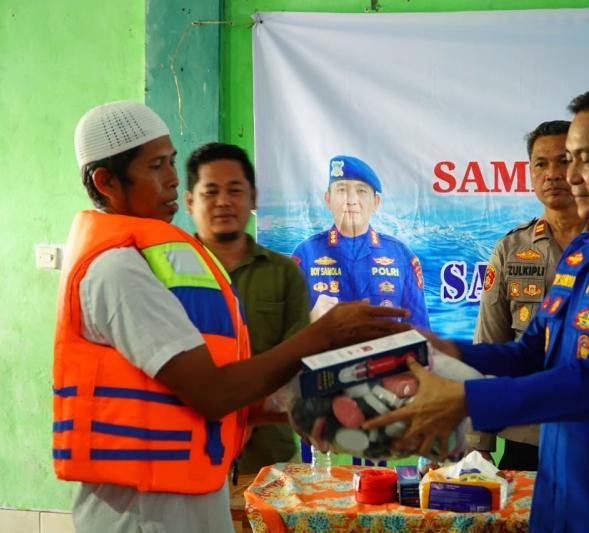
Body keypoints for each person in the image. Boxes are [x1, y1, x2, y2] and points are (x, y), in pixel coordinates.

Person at [364, 87, 589, 531]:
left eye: (586, 159)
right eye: (568, 160)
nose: (570, 176)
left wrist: (465, 400)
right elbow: (531, 354)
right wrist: (439, 349)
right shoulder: (586, 250)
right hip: (561, 501)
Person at [52, 101, 410, 533]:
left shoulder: (161, 260)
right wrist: (323, 334)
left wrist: (311, 405)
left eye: (171, 162)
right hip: (140, 514)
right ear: (106, 181)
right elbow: (211, 392)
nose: (172, 178)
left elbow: (200, 394)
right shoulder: (115, 270)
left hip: (191, 496)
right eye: (156, 166)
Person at [185, 142, 310, 474]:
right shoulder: (169, 274)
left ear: (253, 198)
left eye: (235, 190)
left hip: (271, 459)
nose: (223, 201)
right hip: (190, 453)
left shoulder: (284, 273)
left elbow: (297, 362)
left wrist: (252, 414)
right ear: (190, 202)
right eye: (210, 192)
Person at [471, 120, 588, 471]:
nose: (552, 174)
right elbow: (489, 347)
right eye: (541, 164)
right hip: (527, 437)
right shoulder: (511, 249)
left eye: (563, 161)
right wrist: (478, 444)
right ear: (531, 175)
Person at [291, 155, 430, 328]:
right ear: (328, 199)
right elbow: (284, 335)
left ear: (376, 202)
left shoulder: (401, 256)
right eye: (342, 190)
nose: (351, 201)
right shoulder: (305, 255)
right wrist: (311, 320)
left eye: (361, 191)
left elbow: (420, 331)